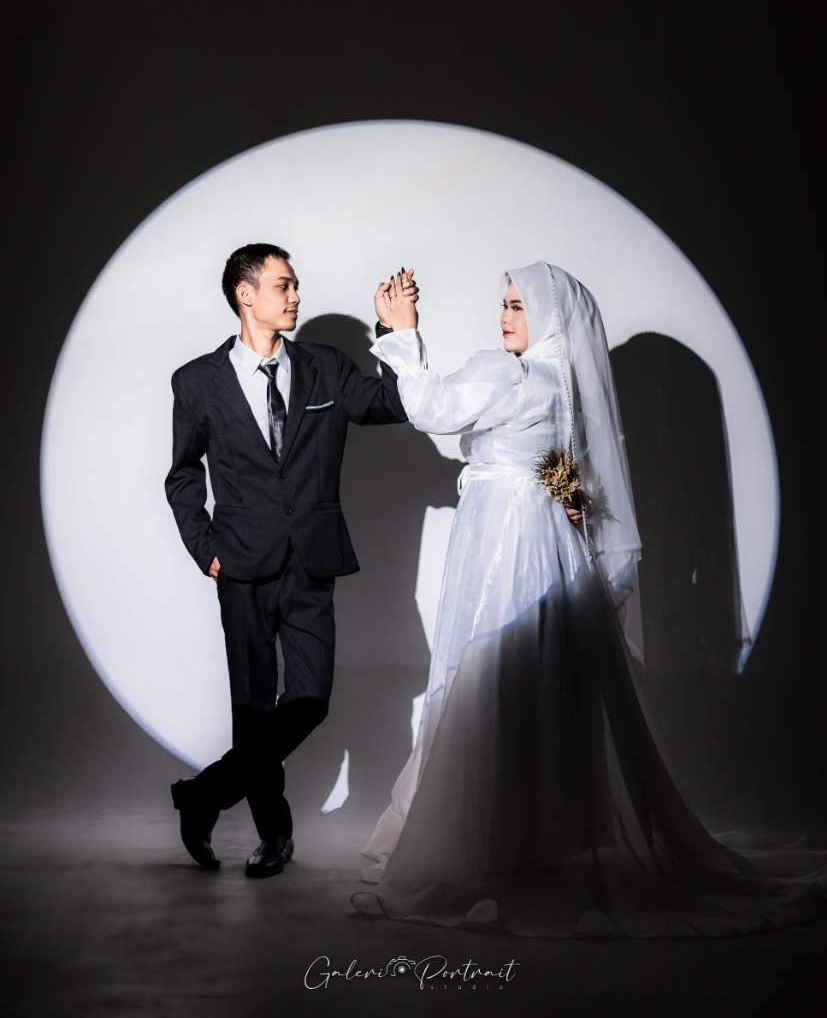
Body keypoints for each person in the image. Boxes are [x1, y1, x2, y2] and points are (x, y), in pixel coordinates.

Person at [352, 261, 827, 937]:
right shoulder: (555, 383)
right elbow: (557, 466)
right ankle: (529, 832)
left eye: (518, 305)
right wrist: (570, 504)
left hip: (502, 539)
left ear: (548, 316)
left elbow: (432, 410)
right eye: (504, 303)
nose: (505, 316)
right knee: (530, 675)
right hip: (534, 539)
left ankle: (481, 834)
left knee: (489, 670)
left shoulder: (511, 373)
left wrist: (403, 332)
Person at [165, 244, 416, 878]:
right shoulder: (196, 382)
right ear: (245, 294)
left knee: (309, 698)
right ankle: (275, 837)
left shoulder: (327, 368)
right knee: (252, 709)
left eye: (296, 285)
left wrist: (395, 333)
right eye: (283, 285)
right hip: (240, 565)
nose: (296, 295)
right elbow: (182, 475)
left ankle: (203, 795)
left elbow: (393, 405)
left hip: (311, 560)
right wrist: (206, 551)